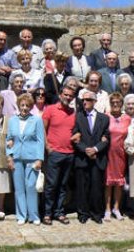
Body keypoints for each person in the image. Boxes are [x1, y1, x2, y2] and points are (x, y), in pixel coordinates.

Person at [6, 93, 45, 225]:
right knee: (19, 188)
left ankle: (34, 215)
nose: (24, 108)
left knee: (31, 186)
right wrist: (9, 156)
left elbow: (41, 141)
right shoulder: (12, 120)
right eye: (22, 105)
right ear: (18, 106)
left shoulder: (37, 120)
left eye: (27, 105)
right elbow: (9, 140)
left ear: (31, 107)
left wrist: (40, 159)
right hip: (17, 158)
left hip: (32, 158)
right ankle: (21, 215)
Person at [73, 91, 110, 224]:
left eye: (88, 99)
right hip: (82, 158)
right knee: (82, 187)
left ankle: (96, 213)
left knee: (96, 187)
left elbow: (106, 138)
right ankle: (83, 213)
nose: (85, 102)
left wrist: (95, 149)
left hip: (97, 158)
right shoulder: (78, 117)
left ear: (95, 101)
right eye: (83, 100)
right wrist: (85, 150)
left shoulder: (104, 118)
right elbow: (75, 136)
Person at [42, 86, 76, 225]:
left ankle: (59, 212)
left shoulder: (73, 112)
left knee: (63, 185)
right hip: (55, 153)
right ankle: (47, 213)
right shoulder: (50, 109)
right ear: (61, 94)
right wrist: (47, 147)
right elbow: (43, 129)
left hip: (69, 154)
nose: (68, 97)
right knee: (51, 185)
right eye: (66, 95)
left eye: (70, 96)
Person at [104, 93, 131, 222]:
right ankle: (107, 209)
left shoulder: (127, 118)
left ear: (121, 104)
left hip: (121, 154)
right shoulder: (105, 117)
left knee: (119, 183)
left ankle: (117, 208)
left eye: (118, 102)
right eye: (113, 102)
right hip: (108, 153)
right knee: (108, 183)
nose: (115, 104)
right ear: (110, 103)